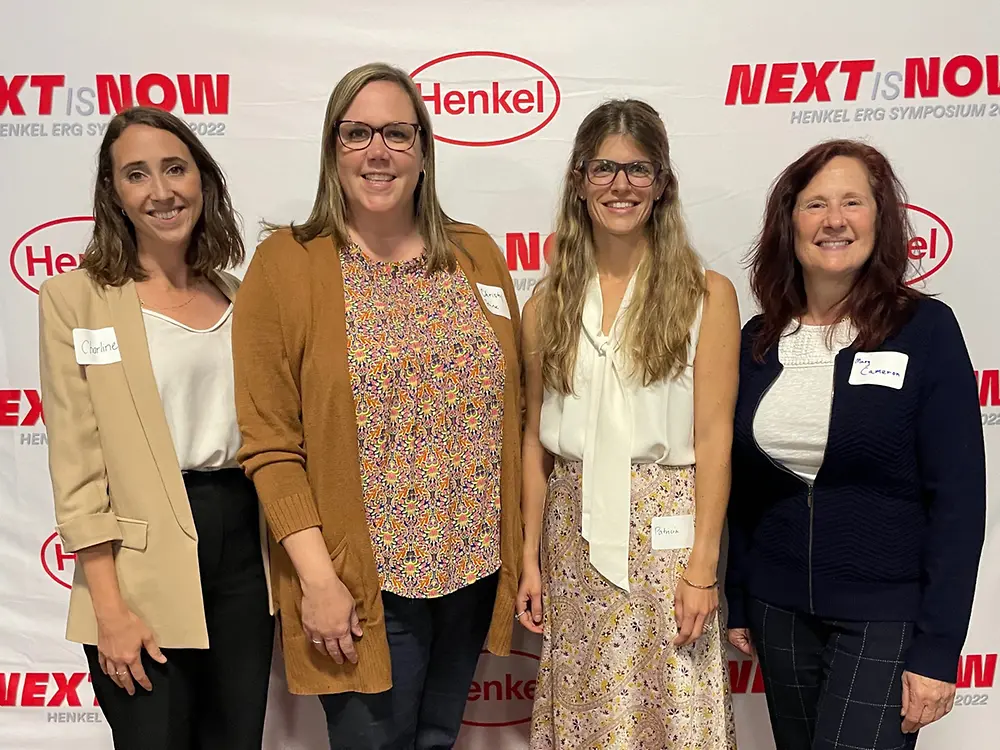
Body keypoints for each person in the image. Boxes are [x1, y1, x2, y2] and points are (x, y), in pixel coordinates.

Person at [231, 62, 523, 750]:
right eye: (356, 133)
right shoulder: (286, 264)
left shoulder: (475, 254)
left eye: (397, 132)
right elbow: (271, 446)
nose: (378, 151)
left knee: (435, 740)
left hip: (470, 570)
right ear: (333, 150)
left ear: (424, 149)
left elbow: (514, 408)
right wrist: (318, 581)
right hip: (362, 583)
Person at [725, 139, 987, 749]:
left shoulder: (924, 331)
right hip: (778, 610)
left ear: (880, 219)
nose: (834, 220)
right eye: (816, 204)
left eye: (853, 202)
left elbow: (960, 502)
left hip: (885, 618)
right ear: (789, 222)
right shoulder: (757, 341)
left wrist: (940, 648)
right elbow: (741, 488)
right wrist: (739, 597)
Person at [37, 106, 274, 750]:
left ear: (203, 180)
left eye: (176, 168)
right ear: (113, 193)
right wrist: (109, 609)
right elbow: (77, 465)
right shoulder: (76, 299)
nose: (161, 191)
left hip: (243, 550)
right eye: (136, 174)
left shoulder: (239, 293)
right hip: (135, 565)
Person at [517, 98, 740, 749]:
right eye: (604, 169)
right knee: (591, 715)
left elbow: (714, 440)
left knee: (673, 706)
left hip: (667, 538)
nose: (621, 186)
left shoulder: (707, 295)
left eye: (639, 170)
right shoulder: (546, 302)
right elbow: (535, 444)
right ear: (579, 180)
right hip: (574, 536)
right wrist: (530, 559)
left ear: (663, 182)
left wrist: (703, 565)